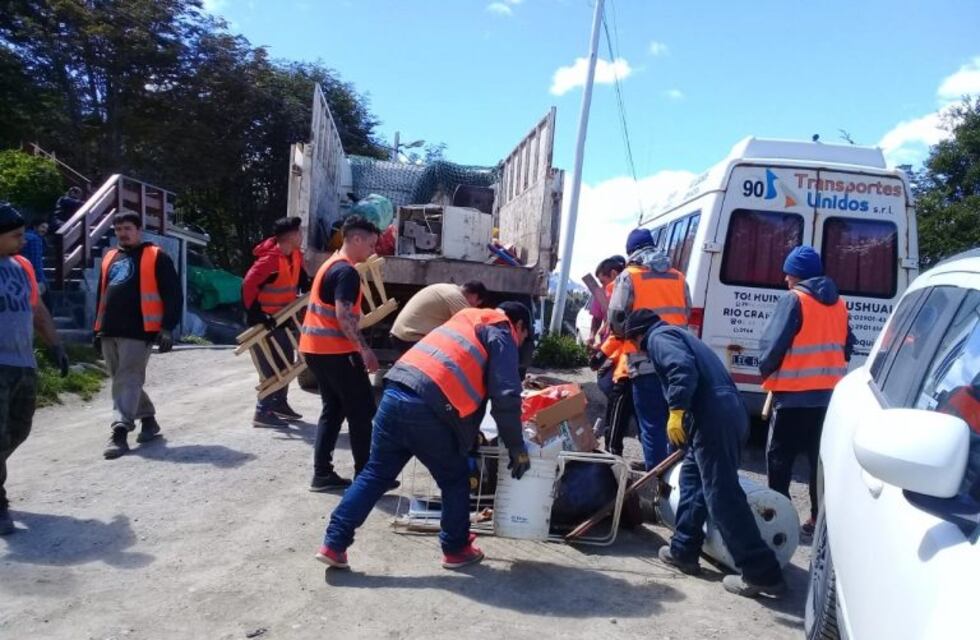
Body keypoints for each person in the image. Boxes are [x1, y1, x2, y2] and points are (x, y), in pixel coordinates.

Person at [316, 302, 533, 571]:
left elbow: (457, 369)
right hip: (428, 408)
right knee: (455, 480)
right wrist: (516, 447)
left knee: (375, 474)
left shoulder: (468, 316)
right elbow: (506, 395)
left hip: (394, 392)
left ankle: (333, 543)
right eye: (524, 337)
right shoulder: (501, 331)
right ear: (519, 325)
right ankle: (456, 549)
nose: (520, 342)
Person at [624, 308, 786, 598]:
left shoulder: (659, 338)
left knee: (722, 495)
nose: (638, 351)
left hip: (714, 417)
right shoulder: (678, 333)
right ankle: (683, 549)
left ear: (638, 336)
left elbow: (681, 369)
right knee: (692, 480)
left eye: (635, 344)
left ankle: (762, 573)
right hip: (719, 413)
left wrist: (676, 410)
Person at [759, 245, 853, 536]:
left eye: (789, 274)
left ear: (798, 276)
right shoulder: (839, 304)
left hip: (792, 396)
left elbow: (773, 344)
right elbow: (848, 345)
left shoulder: (794, 300)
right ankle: (816, 519)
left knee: (779, 459)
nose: (786, 279)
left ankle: (779, 518)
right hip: (828, 399)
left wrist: (766, 368)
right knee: (818, 462)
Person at [0, 203, 69, 535]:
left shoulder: (22, 265)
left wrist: (55, 345)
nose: (23, 240)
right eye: (15, 236)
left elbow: (37, 309)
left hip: (23, 362)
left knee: (20, 429)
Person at [300, 216, 381, 492]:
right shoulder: (346, 272)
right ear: (356, 239)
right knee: (362, 410)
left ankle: (322, 474)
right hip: (336, 351)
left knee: (333, 410)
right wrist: (365, 350)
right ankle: (366, 478)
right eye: (371, 243)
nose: (373, 250)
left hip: (315, 350)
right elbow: (343, 316)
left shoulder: (329, 265)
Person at [95, 211, 183, 460]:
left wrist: (167, 327)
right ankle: (149, 419)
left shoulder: (157, 256)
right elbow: (102, 297)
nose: (122, 233)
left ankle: (120, 431)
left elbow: (173, 294)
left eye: (127, 228)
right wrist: (96, 329)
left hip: (140, 330)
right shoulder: (110, 257)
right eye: (118, 229)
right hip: (108, 329)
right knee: (122, 380)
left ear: (139, 229)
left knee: (128, 377)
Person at [608, 228, 691, 469]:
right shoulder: (678, 277)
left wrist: (626, 336)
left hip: (644, 359)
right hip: (676, 360)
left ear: (631, 251)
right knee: (674, 423)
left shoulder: (629, 276)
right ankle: (675, 477)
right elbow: (686, 313)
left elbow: (616, 318)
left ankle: (655, 482)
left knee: (652, 424)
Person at [242, 216, 310, 427]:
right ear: (291, 237)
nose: (302, 236)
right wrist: (257, 316)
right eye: (299, 233)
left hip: (282, 319)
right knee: (271, 367)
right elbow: (247, 287)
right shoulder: (269, 261)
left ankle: (279, 403)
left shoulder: (294, 255)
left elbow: (300, 279)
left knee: (287, 363)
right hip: (265, 323)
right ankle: (262, 411)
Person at [389, 281, 488, 354]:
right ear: (474, 295)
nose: (474, 306)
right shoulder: (456, 297)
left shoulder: (448, 288)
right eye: (476, 303)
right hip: (410, 337)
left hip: (401, 334)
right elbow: (472, 326)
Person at [20, 221, 49, 305]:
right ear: (35, 227)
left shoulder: (24, 236)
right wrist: (41, 280)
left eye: (46, 228)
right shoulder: (34, 239)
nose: (45, 230)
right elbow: (36, 261)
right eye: (42, 227)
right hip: (33, 278)